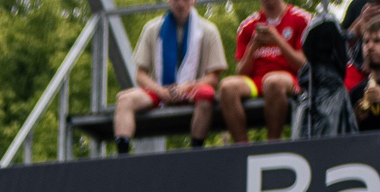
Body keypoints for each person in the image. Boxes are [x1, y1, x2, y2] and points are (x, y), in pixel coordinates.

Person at [112, 0, 227, 152]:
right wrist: (161, 91)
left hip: (192, 90)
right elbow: (140, 75)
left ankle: (196, 150)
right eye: (175, 0)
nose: (180, 4)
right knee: (124, 99)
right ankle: (122, 156)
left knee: (207, 96)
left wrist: (186, 87)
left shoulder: (208, 30)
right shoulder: (152, 29)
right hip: (160, 90)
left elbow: (212, 78)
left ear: (193, 1)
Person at [220, 0, 312, 144]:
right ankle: (242, 147)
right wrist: (253, 46)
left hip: (290, 78)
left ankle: (272, 145)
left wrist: (278, 41)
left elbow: (303, 66)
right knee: (227, 87)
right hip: (256, 81)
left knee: (272, 82)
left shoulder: (302, 19)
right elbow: (241, 72)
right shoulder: (247, 26)